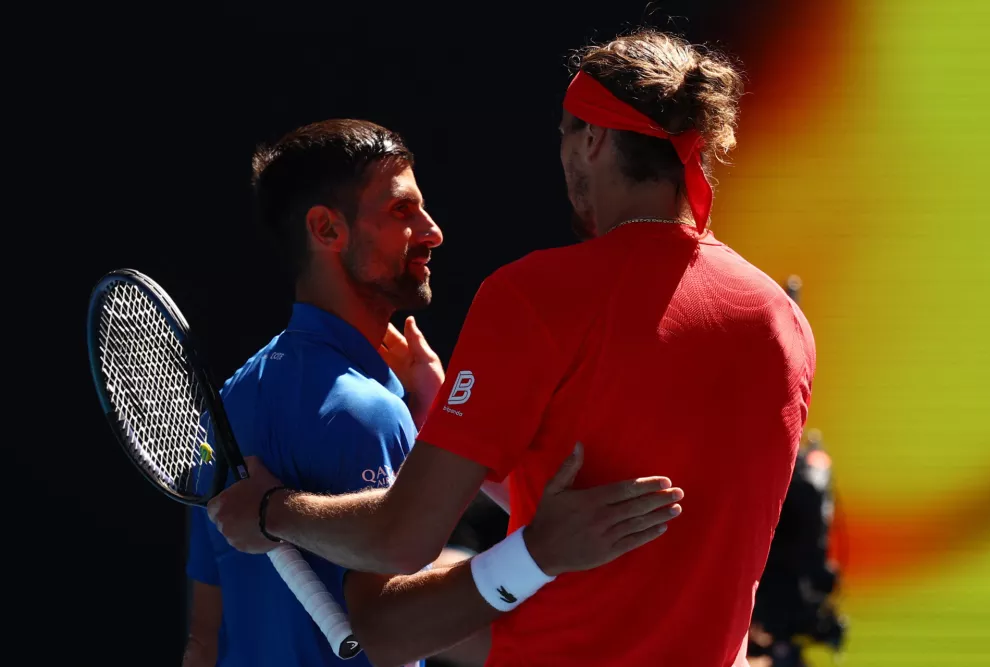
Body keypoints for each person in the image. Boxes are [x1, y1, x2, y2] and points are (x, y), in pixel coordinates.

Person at [209, 29, 817, 667]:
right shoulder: (783, 322)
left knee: (380, 611)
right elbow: (612, 495)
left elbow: (398, 544)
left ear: (594, 140)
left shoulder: (533, 296)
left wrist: (274, 513)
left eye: (563, 132)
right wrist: (440, 404)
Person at [184, 118, 684, 667]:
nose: (433, 231)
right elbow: (399, 624)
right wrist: (538, 556)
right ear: (327, 230)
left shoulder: (231, 400)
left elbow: (203, 641)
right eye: (402, 211)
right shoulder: (367, 413)